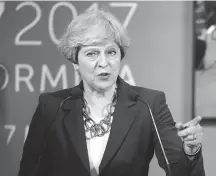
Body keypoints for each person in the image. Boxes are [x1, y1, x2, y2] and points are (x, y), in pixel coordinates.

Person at [18, 8, 205, 176]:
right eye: (92, 53)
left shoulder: (149, 104)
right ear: (75, 62)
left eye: (111, 52)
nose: (103, 62)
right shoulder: (52, 106)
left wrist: (191, 150)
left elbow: (178, 171)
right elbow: (29, 170)